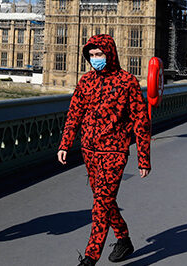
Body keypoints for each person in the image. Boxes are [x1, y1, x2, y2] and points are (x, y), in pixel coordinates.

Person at [57, 34, 151, 266]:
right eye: (91, 55)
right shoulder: (86, 81)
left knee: (100, 204)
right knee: (105, 201)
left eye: (99, 54)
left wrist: (143, 158)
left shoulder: (127, 81)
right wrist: (65, 143)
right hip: (89, 150)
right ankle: (124, 239)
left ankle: (89, 258)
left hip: (115, 150)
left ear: (110, 54)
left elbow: (141, 121)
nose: (95, 59)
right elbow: (74, 114)